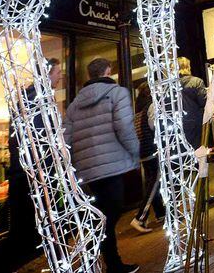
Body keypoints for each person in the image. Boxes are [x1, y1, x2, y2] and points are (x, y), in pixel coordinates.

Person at [63, 58, 139, 273]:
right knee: (109, 214)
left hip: (87, 170)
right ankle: (105, 260)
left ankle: (103, 261)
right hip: (113, 164)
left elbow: (66, 139)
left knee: (102, 215)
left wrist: (74, 166)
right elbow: (124, 126)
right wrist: (134, 153)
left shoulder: (74, 105)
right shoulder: (118, 93)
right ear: (108, 70)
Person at [9, 58, 62, 258]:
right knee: (38, 220)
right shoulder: (37, 100)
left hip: (30, 170)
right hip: (38, 171)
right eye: (58, 72)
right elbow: (40, 138)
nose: (61, 76)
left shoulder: (28, 98)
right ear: (47, 74)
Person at [130, 81, 164, 233]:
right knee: (155, 182)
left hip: (142, 151)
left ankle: (160, 213)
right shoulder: (150, 106)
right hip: (151, 149)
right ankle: (140, 218)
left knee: (152, 181)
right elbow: (154, 126)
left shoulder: (137, 111)